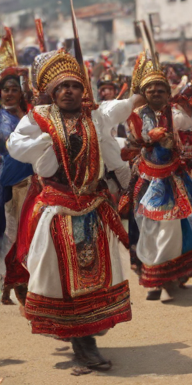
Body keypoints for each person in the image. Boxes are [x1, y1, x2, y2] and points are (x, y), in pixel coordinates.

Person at [8, 48, 141, 370]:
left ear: (83, 90)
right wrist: (46, 142)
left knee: (92, 275)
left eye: (75, 85)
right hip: (57, 211)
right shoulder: (38, 118)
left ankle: (86, 339)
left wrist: (125, 180)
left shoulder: (94, 117)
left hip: (92, 209)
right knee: (65, 279)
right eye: (62, 87)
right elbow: (15, 145)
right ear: (52, 92)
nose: (69, 91)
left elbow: (114, 132)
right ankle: (83, 344)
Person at [125, 53, 192, 301]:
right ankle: (155, 279)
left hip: (174, 177)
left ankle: (171, 276)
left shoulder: (176, 114)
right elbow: (134, 141)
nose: (157, 93)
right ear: (144, 93)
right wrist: (149, 138)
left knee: (178, 228)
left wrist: (186, 153)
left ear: (168, 93)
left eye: (161, 89)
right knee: (148, 228)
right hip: (147, 180)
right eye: (151, 89)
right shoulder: (136, 115)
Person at [0, 28, 33, 305]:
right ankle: (11, 283)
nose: (10, 94)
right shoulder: (1, 118)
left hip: (36, 181)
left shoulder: (30, 114)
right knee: (12, 233)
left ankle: (25, 283)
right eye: (6, 90)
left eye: (14, 90)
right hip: (9, 182)